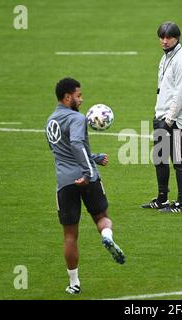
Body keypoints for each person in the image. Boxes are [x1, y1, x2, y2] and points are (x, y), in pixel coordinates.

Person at [45, 77, 125, 294]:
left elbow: (62, 152)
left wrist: (94, 156)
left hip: (64, 183)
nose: (81, 100)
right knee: (101, 217)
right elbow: (76, 144)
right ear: (67, 96)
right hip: (86, 177)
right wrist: (88, 172)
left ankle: (74, 283)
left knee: (70, 236)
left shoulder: (51, 122)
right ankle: (107, 237)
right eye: (79, 95)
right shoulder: (77, 119)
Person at [141, 21, 182, 213]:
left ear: (177, 38)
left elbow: (180, 94)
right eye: (162, 37)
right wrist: (158, 114)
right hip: (161, 114)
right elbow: (163, 90)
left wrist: (169, 120)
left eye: (168, 37)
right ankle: (162, 199)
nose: (164, 41)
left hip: (175, 120)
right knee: (161, 159)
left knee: (179, 161)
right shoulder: (165, 58)